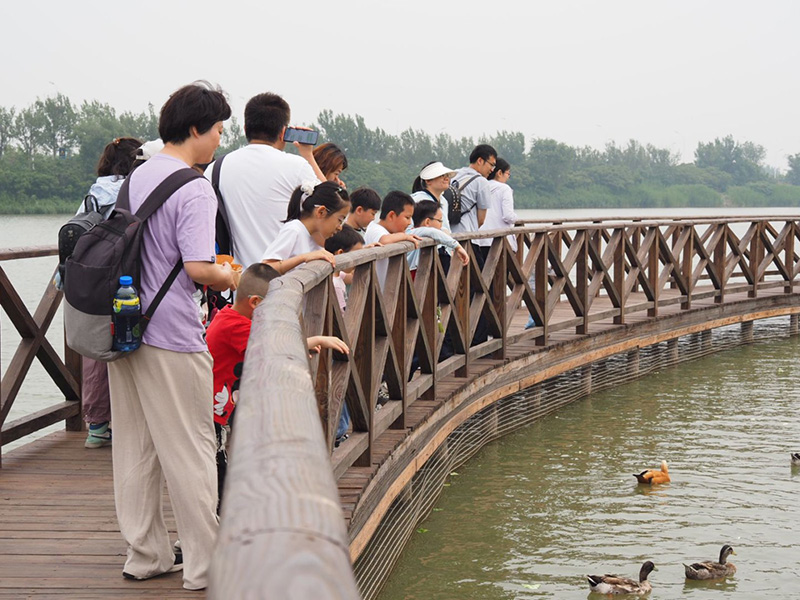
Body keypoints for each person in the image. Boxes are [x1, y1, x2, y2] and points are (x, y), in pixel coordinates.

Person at [106, 82, 238, 591]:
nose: (220, 139)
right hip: (171, 333)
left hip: (125, 327)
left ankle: (145, 555)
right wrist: (230, 275)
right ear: (196, 129)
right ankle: (206, 564)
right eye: (219, 130)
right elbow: (200, 268)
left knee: (135, 448)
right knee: (191, 448)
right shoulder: (195, 187)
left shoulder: (136, 175)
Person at [206, 262, 347, 507]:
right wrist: (316, 339)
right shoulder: (235, 326)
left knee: (221, 463)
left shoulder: (231, 316)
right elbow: (271, 345)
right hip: (209, 410)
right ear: (255, 303)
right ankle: (216, 517)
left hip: (219, 406)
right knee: (216, 467)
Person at [205, 92, 325, 268]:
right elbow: (332, 207)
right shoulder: (297, 166)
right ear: (283, 132)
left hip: (237, 280)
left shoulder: (215, 168)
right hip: (287, 278)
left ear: (245, 128)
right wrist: (308, 155)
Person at [78, 137, 143, 449]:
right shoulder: (136, 191)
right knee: (133, 342)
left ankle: (96, 425)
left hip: (94, 279)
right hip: (128, 279)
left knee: (96, 351)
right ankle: (134, 422)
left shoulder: (94, 194)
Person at [323, 225, 365, 446]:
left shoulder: (336, 276)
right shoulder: (335, 285)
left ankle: (339, 430)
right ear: (340, 254)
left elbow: (348, 275)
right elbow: (339, 316)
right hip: (336, 340)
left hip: (333, 340)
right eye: (356, 255)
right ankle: (338, 431)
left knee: (341, 383)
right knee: (341, 384)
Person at [261, 181, 349, 274]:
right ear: (321, 212)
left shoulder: (314, 237)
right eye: (340, 220)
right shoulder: (294, 229)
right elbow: (266, 267)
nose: (340, 228)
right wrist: (304, 257)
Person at [364, 191, 421, 288]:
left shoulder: (389, 233)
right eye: (407, 217)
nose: (409, 222)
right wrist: (405, 236)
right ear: (391, 215)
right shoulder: (375, 229)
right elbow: (384, 241)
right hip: (376, 293)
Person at [407, 200, 469, 275]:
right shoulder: (416, 232)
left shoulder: (417, 232)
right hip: (411, 274)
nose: (441, 225)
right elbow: (433, 232)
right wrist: (457, 246)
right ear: (427, 222)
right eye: (439, 220)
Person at [476, 158, 518, 259]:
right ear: (499, 173)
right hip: (500, 241)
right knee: (502, 269)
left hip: (480, 240)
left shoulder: (481, 187)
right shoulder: (504, 188)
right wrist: (516, 218)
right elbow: (508, 216)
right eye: (508, 174)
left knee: (483, 269)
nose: (508, 177)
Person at [411, 161, 456, 233]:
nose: (446, 179)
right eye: (442, 175)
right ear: (428, 181)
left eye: (447, 175)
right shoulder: (417, 199)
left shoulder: (444, 201)